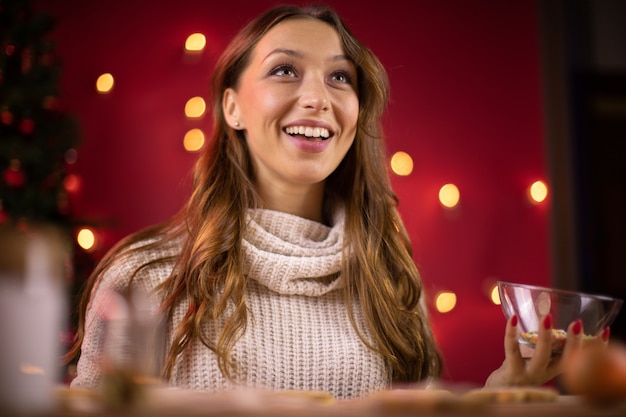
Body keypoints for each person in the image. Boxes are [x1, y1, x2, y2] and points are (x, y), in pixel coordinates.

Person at [66, 4, 595, 400]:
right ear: (232, 107)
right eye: (284, 70)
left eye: (339, 77)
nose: (318, 97)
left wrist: (499, 391)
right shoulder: (144, 277)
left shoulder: (388, 278)